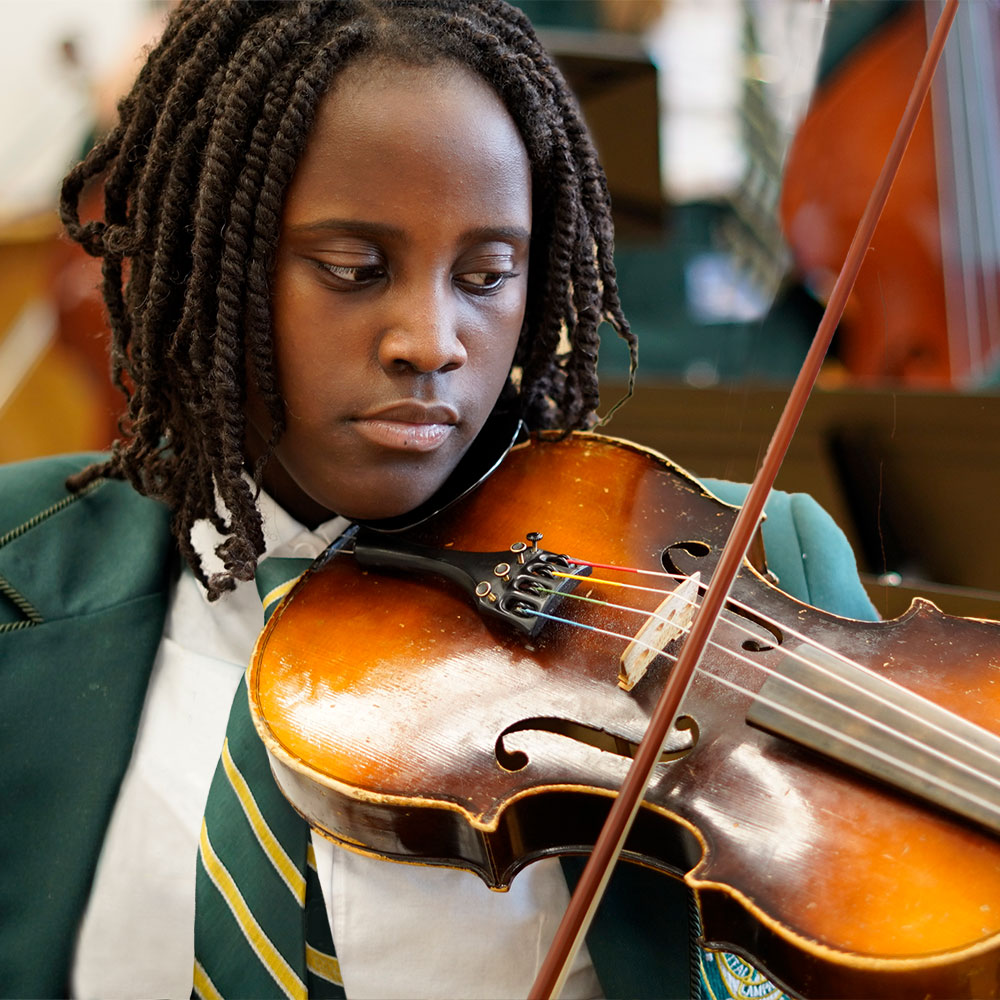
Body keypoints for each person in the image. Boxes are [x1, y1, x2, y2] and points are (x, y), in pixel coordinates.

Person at [0, 2, 876, 998]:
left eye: (486, 275)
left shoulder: (757, 570)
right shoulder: (10, 569)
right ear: (207, 258)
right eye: (352, 269)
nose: (431, 338)